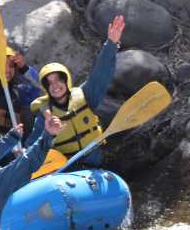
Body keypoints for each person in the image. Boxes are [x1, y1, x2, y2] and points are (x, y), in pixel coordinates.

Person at [27, 15, 125, 168]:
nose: (55, 85)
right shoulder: (45, 116)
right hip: (69, 168)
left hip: (95, 159)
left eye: (58, 79)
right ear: (46, 88)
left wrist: (111, 44)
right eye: (49, 83)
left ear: (66, 81)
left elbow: (100, 74)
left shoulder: (85, 95)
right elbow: (33, 146)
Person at [0, 45, 43, 132]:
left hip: (15, 142)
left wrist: (24, 68)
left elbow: (42, 87)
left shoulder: (17, 91)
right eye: (1, 66)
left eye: (11, 66)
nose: (7, 70)